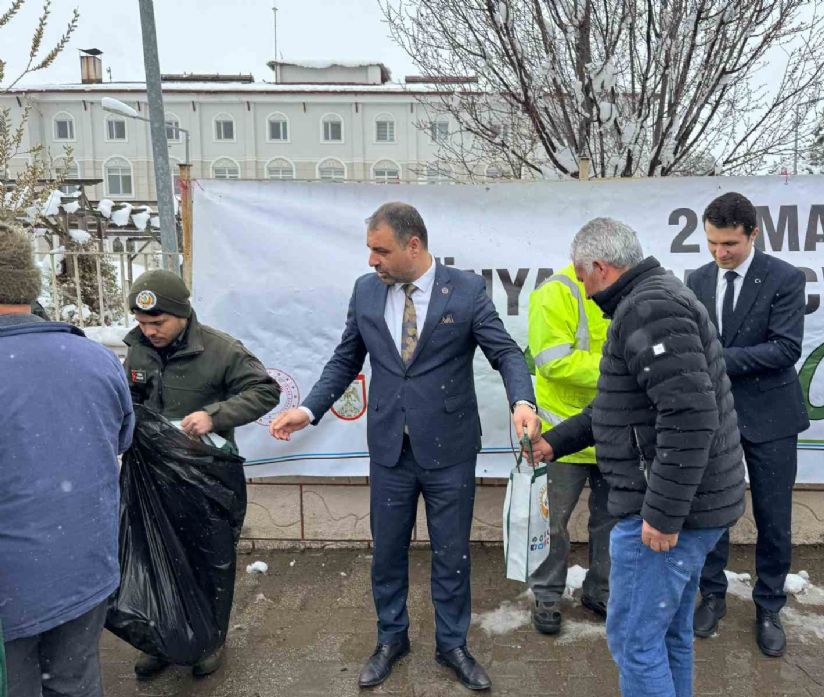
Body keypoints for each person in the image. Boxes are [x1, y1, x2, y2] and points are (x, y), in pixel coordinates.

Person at [270, 202, 539, 691]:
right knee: (387, 552)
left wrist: (522, 400)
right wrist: (308, 410)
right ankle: (391, 638)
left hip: (449, 449)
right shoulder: (366, 293)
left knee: (452, 553)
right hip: (390, 449)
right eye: (370, 250)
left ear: (413, 245)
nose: (372, 261)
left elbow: (504, 352)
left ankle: (452, 644)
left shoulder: (466, 290)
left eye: (381, 250)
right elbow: (344, 359)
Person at [528, 217, 745, 697]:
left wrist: (664, 516)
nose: (583, 291)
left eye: (584, 278)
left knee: (635, 640)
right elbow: (618, 404)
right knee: (667, 634)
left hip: (670, 514)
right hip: (692, 506)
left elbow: (690, 416)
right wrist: (554, 441)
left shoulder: (648, 308)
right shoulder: (651, 298)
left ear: (601, 267)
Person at [124, 269, 281, 679]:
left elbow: (265, 390)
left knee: (209, 558)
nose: (149, 331)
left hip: (206, 475)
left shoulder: (220, 349)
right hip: (153, 473)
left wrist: (214, 415)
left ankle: (209, 641)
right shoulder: (137, 349)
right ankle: (160, 638)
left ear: (182, 313)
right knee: (156, 555)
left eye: (158, 323)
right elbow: (131, 399)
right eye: (142, 323)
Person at [0, 220, 134, 697]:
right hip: (85, 571)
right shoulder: (95, 359)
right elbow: (120, 440)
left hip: (11, 589)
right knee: (74, 683)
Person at [686, 192, 809, 657]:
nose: (720, 253)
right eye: (713, 243)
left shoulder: (784, 278)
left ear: (752, 234)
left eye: (730, 244)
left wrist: (714, 359)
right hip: (713, 415)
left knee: (774, 518)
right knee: (711, 512)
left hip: (772, 416)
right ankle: (712, 594)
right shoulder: (696, 279)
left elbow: (785, 349)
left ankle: (769, 605)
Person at [526, 263, 616, 634]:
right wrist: (620, 367)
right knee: (551, 523)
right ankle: (547, 596)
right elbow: (552, 361)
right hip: (561, 435)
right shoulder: (555, 292)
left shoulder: (629, 290)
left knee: (613, 523)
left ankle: (602, 592)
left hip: (615, 428)